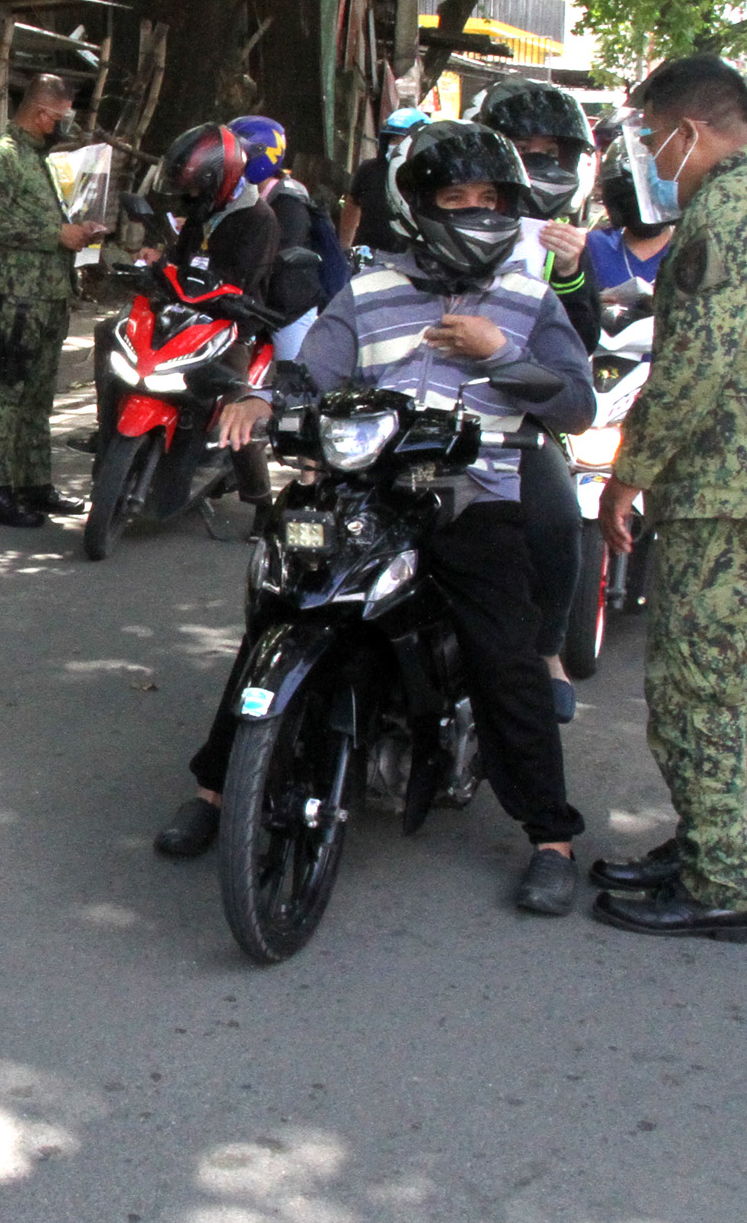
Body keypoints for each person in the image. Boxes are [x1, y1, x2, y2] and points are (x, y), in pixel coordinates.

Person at [161, 120, 597, 917]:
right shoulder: (367, 293)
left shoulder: (529, 302)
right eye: (456, 198)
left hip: (474, 500)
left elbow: (575, 404)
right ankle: (218, 788)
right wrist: (259, 398)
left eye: (491, 199)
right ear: (422, 207)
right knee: (278, 615)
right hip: (361, 493)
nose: (475, 210)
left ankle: (552, 837)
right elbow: (308, 374)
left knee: (505, 653)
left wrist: (500, 351)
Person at [591, 54, 747, 942]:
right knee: (714, 679)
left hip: (727, 490)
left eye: (656, 138)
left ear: (691, 127)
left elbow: (695, 364)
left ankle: (721, 885)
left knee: (695, 690)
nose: (654, 158)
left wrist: (631, 471)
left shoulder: (726, 211)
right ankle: (701, 843)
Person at [473, 78, 603, 721]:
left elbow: (577, 352)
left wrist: (576, 271)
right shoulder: (435, 203)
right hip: (422, 406)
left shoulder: (566, 242)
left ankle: (547, 650)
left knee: (557, 519)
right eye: (519, 148)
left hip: (519, 417)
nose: (533, 163)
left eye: (549, 152)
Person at [94, 122, 278, 521]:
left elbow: (242, 280)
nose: (188, 196)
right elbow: (180, 259)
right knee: (109, 332)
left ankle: (262, 501)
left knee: (236, 401)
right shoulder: (201, 213)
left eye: (194, 188)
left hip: (230, 326)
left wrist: (217, 292)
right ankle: (107, 429)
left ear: (220, 180)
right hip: (181, 316)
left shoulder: (258, 219)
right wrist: (155, 268)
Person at [0, 74, 107, 528]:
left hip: (49, 296)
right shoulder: (1, 158)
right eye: (61, 118)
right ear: (43, 113)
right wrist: (58, 235)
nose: (63, 127)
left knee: (38, 397)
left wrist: (77, 233)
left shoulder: (36, 158)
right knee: (5, 395)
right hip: (15, 299)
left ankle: (33, 484)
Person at [226, 113, 346, 366]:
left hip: (288, 307)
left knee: (294, 382)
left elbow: (268, 256)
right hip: (249, 302)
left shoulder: (290, 204)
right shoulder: (241, 194)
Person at [579, 138, 676, 291]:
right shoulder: (594, 245)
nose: (645, 210)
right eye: (632, 200)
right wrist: (597, 304)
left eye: (652, 199)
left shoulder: (688, 248)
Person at [340, 107, 429, 251]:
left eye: (404, 140)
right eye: (393, 139)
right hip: (369, 255)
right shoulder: (369, 169)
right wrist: (344, 248)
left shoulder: (429, 175)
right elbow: (351, 205)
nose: (397, 146)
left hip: (413, 258)